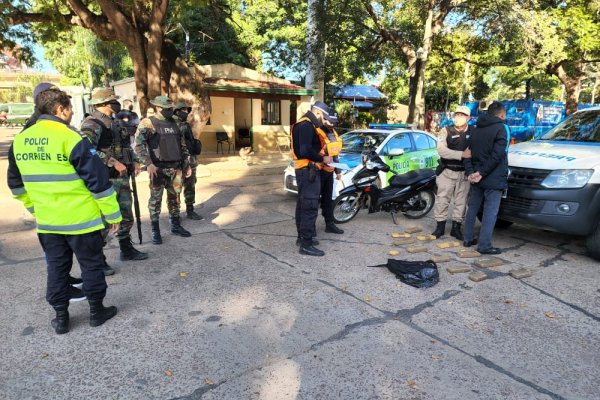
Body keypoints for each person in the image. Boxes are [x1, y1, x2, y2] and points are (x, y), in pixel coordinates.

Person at [7, 87, 121, 334]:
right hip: (82, 221)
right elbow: (98, 182)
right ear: (60, 109)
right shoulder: (71, 138)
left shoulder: (20, 140)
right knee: (91, 266)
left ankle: (61, 318)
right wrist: (113, 215)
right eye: (69, 109)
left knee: (57, 269)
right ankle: (96, 312)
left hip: (48, 223)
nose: (70, 114)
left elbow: (15, 186)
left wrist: (34, 207)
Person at [23, 82, 87, 301]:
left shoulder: (41, 124)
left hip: (53, 206)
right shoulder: (35, 127)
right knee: (57, 258)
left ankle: (65, 283)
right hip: (58, 205)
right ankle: (64, 288)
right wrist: (34, 207)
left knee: (60, 257)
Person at [81, 88, 148, 263]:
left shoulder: (114, 122)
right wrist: (112, 162)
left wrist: (134, 160)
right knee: (103, 221)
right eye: (113, 101)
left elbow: (125, 144)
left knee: (126, 215)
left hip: (122, 177)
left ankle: (126, 249)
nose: (116, 104)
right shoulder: (92, 123)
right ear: (103, 104)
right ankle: (98, 260)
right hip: (105, 179)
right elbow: (87, 150)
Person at [135, 95, 193, 244]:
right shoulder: (148, 123)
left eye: (170, 108)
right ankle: (155, 231)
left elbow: (182, 146)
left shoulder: (175, 123)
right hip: (158, 170)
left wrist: (186, 165)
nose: (170, 110)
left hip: (176, 168)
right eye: (167, 108)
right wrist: (148, 163)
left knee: (175, 199)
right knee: (156, 201)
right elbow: (138, 145)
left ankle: (175, 225)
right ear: (158, 108)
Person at [462, 101, 509, 255]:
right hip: (492, 178)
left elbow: (466, 153)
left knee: (473, 208)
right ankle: (484, 246)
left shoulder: (475, 129)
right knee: (490, 212)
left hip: (476, 177)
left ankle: (467, 239)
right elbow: (497, 155)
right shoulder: (502, 128)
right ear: (502, 114)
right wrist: (481, 173)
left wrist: (472, 173)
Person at [291, 101, 333, 256]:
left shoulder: (305, 124)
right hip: (308, 170)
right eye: (323, 117)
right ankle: (306, 244)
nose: (323, 121)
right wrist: (322, 159)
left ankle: (302, 238)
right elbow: (305, 150)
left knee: (303, 205)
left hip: (305, 170)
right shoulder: (306, 125)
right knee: (309, 206)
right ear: (318, 113)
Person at [431, 105, 473, 240]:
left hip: (464, 173)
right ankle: (440, 227)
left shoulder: (474, 131)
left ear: (468, 118)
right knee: (442, 199)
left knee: (461, 202)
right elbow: (441, 150)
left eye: (461, 116)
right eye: (456, 115)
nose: (458, 118)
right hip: (447, 171)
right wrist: (462, 154)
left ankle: (456, 228)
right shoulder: (445, 130)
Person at [172, 101, 203, 220]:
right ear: (177, 111)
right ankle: (175, 213)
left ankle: (190, 210)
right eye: (183, 110)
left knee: (190, 185)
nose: (186, 112)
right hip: (178, 162)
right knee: (176, 187)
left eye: (187, 110)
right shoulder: (172, 124)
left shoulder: (185, 124)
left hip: (190, 160)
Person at [318, 106, 344, 235]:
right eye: (330, 121)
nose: (332, 124)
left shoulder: (334, 133)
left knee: (328, 200)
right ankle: (309, 229)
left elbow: (334, 153)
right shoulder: (318, 132)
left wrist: (338, 171)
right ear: (324, 119)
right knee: (313, 201)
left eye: (334, 122)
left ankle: (329, 224)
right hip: (318, 172)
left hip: (329, 172)